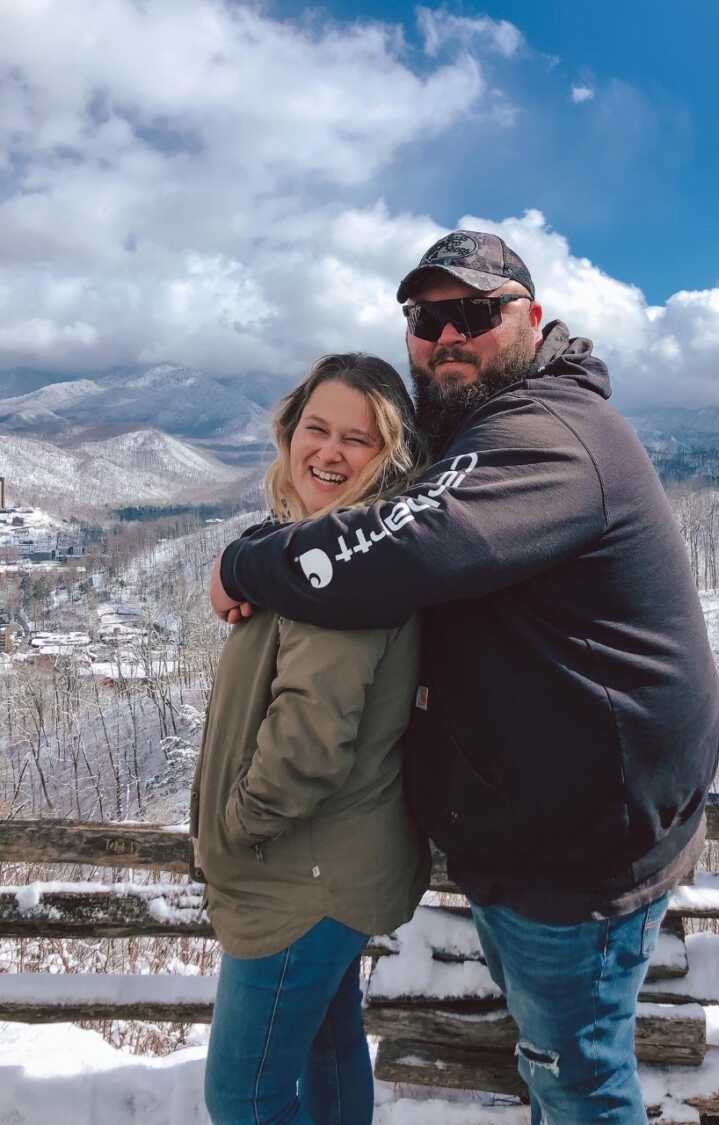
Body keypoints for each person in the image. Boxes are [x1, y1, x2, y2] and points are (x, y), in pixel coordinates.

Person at [210, 231, 719, 1123]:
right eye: (425, 318)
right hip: (538, 840)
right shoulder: (489, 429)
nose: (446, 336)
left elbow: (401, 546)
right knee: (559, 1071)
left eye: (475, 313)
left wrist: (246, 564)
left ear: (529, 317)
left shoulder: (546, 432)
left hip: (580, 860)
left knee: (578, 1083)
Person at [192, 353, 430, 1124]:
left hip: (298, 876)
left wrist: (236, 831)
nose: (328, 451)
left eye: (356, 439)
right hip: (333, 865)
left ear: (389, 455)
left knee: (243, 1094)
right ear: (289, 432)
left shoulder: (345, 573)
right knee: (329, 1048)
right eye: (316, 428)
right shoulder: (322, 552)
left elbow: (309, 740)